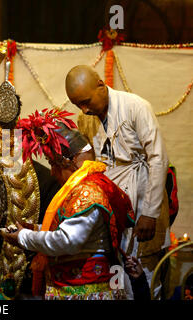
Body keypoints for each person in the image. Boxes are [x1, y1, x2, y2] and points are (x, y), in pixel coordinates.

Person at [2, 109, 135, 300]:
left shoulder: (87, 191)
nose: (52, 173)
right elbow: (70, 228)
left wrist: (24, 237)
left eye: (52, 164)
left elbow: (67, 241)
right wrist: (36, 228)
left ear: (67, 162)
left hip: (85, 290)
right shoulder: (88, 184)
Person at [65, 65, 170, 298]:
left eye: (86, 101)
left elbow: (158, 158)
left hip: (142, 199)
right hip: (111, 207)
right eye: (77, 105)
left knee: (144, 275)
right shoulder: (87, 117)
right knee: (115, 278)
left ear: (101, 85)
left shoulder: (136, 106)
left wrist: (150, 212)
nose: (83, 109)